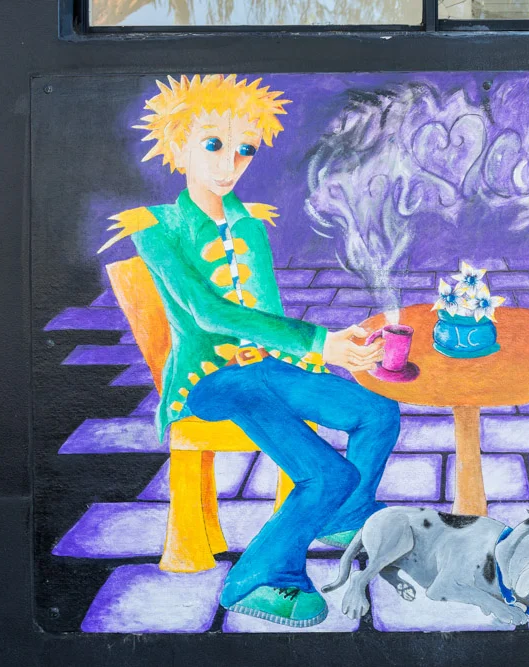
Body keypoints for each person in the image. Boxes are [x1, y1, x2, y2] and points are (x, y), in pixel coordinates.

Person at [100, 74, 400, 628]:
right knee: (327, 472)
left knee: (378, 411)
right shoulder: (157, 229)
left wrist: (329, 351)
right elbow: (208, 313)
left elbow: (267, 316)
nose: (229, 163)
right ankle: (259, 576)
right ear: (178, 146)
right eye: (214, 144)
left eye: (244, 149)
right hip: (210, 383)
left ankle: (343, 517)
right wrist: (320, 344)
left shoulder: (250, 224)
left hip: (263, 369)